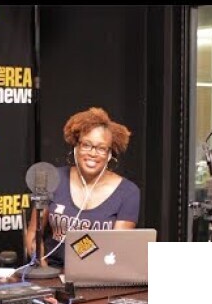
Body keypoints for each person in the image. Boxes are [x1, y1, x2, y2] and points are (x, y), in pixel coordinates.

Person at [25, 107, 141, 267]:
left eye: (101, 148)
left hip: (99, 272)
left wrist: (80, 267)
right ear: (76, 147)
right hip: (51, 270)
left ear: (109, 154)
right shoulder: (52, 179)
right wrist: (43, 269)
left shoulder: (128, 192)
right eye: (86, 145)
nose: (93, 153)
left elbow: (116, 249)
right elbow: (33, 233)